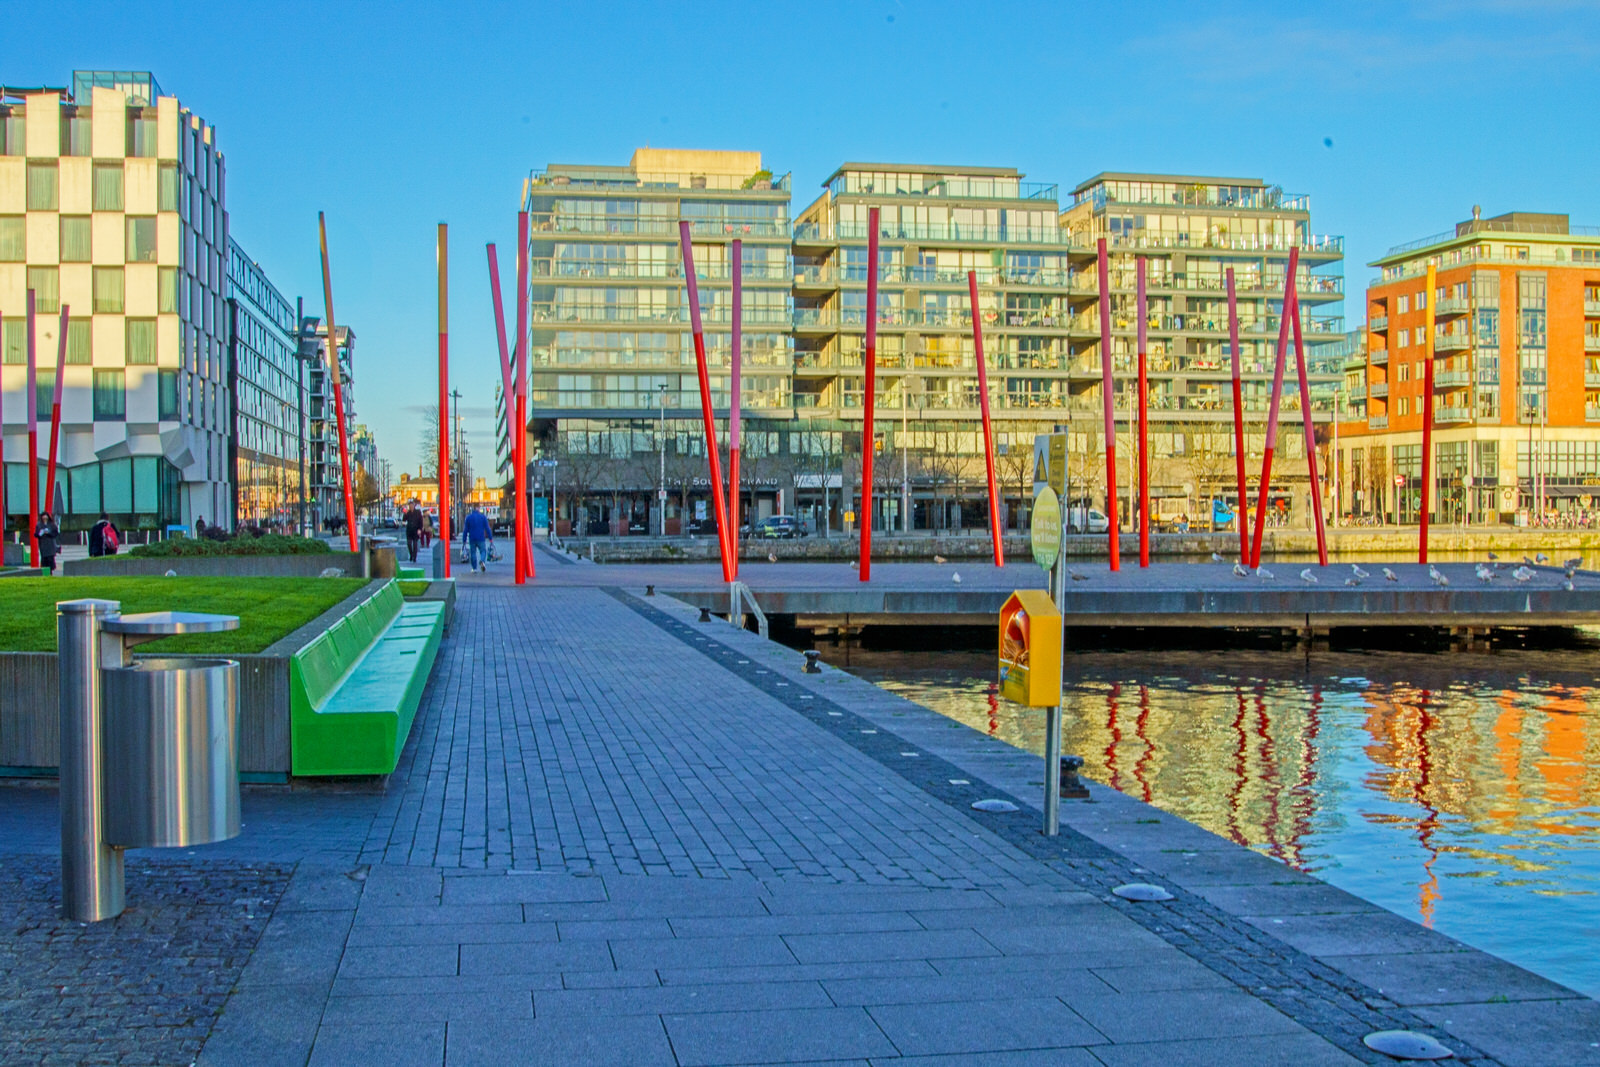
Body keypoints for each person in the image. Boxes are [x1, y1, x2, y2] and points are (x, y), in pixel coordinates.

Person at [463, 505, 492, 572]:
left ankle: (474, 568)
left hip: (472, 538)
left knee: (473, 553)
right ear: (478, 509)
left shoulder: (468, 517)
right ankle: (482, 561)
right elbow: (487, 528)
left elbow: (465, 530)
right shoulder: (483, 517)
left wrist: (464, 540)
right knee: (483, 551)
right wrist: (490, 538)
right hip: (481, 537)